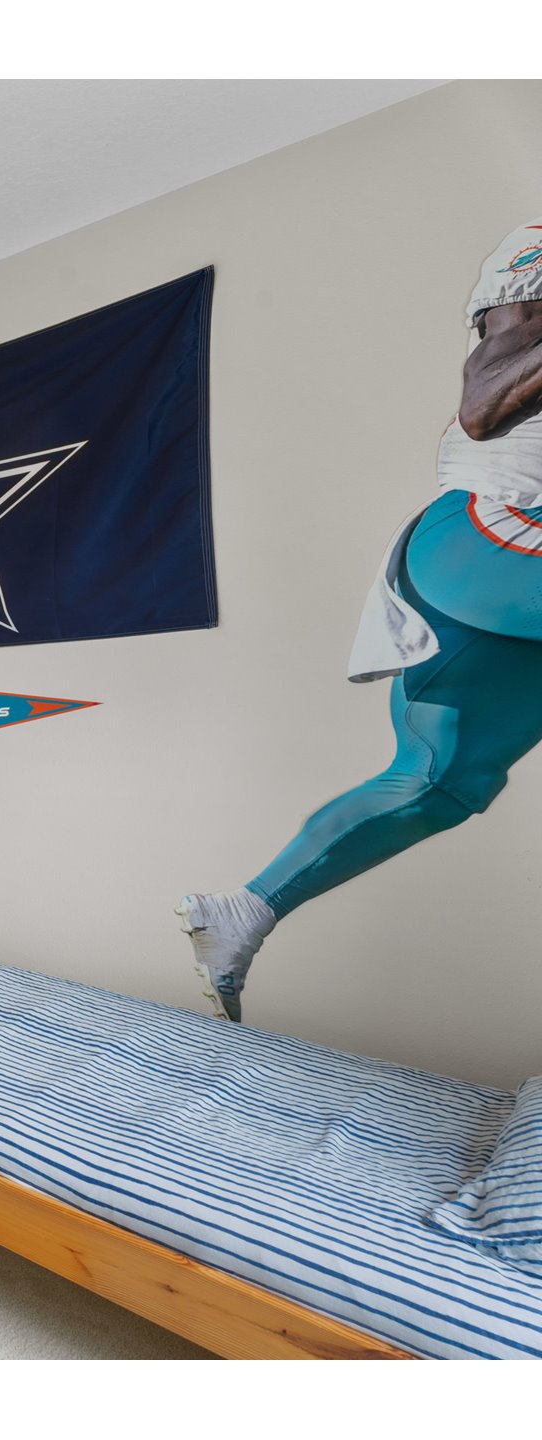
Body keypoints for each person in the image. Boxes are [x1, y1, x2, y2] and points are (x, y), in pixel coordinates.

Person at [179, 219, 542, 1022]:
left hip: (500, 590)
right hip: (494, 540)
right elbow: (483, 403)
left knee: (437, 784)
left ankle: (241, 913)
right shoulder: (535, 251)